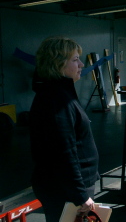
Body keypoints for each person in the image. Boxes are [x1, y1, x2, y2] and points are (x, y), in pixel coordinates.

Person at [29, 37, 98, 222]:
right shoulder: (56, 100)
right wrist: (80, 196)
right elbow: (63, 153)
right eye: (75, 60)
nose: (81, 64)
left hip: (70, 189)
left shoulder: (60, 94)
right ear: (57, 64)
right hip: (66, 193)